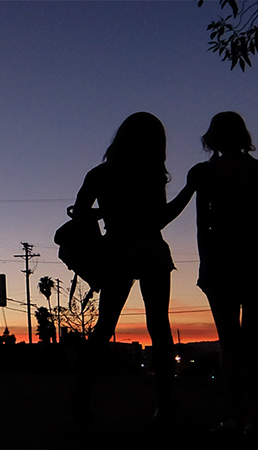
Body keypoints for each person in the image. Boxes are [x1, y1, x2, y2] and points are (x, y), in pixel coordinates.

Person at [166, 111, 258, 434]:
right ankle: (257, 417)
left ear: (212, 139)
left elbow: (201, 227)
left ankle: (237, 415)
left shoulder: (207, 174)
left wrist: (207, 265)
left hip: (220, 263)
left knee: (229, 343)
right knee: (255, 341)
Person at [72, 112, 176, 425]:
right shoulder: (152, 175)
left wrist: (107, 211)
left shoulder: (100, 173)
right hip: (151, 249)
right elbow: (160, 218)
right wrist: (188, 191)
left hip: (116, 249)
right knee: (159, 328)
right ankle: (165, 405)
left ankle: (81, 401)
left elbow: (79, 213)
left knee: (104, 326)